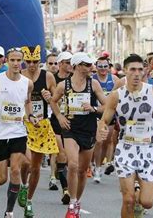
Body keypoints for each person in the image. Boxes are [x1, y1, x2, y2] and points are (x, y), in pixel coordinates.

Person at [97, 54, 153, 218]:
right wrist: (102, 129)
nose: (137, 73)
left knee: (147, 202)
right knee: (128, 199)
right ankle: (133, 198)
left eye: (140, 69)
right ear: (125, 71)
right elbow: (105, 120)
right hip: (125, 149)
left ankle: (141, 199)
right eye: (132, 69)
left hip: (148, 150)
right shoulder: (117, 95)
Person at [0, 47, 36, 218]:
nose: (16, 63)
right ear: (7, 61)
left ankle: (9, 211)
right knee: (2, 177)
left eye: (19, 60)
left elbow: (27, 102)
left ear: (22, 61)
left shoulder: (28, 83)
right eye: (12, 60)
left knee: (16, 170)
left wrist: (30, 115)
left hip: (18, 132)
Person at [50, 52, 107, 218]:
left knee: (82, 170)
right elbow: (53, 101)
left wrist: (94, 109)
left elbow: (106, 105)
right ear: (77, 66)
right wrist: (60, 116)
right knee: (73, 165)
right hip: (70, 128)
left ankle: (77, 202)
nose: (91, 68)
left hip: (88, 129)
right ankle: (72, 202)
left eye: (91, 65)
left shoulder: (93, 84)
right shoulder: (64, 85)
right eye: (87, 65)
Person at [19, 45, 59, 217]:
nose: (32, 64)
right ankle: (23, 184)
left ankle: (29, 200)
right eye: (28, 61)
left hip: (41, 125)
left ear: (39, 61)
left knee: (35, 167)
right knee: (27, 162)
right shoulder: (19, 77)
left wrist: (50, 98)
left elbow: (57, 98)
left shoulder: (48, 76)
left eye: (35, 61)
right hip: (23, 124)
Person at [49, 51, 73, 203]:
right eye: (67, 62)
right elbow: (50, 99)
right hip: (56, 119)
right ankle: (65, 190)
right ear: (60, 63)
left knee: (71, 159)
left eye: (71, 62)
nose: (70, 64)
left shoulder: (76, 79)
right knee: (61, 153)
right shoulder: (53, 79)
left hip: (72, 120)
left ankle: (61, 174)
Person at [91, 56, 120, 183]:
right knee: (99, 141)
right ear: (96, 67)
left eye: (105, 66)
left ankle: (99, 165)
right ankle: (96, 167)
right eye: (100, 66)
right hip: (96, 112)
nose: (103, 69)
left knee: (107, 141)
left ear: (109, 67)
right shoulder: (92, 79)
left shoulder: (114, 79)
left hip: (110, 113)